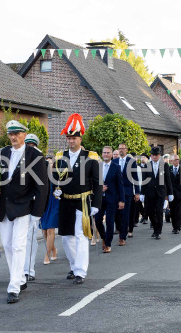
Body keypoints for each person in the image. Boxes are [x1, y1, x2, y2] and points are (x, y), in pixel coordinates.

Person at [0, 120, 48, 304]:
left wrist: (37, 213)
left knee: (19, 245)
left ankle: (13, 287)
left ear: (24, 135)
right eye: (11, 134)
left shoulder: (35, 155)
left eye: (17, 134)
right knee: (8, 245)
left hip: (24, 206)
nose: (13, 137)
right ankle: (18, 278)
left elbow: (42, 186)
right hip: (4, 206)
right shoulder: (3, 152)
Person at [53, 113, 102, 285]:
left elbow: (97, 182)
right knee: (66, 238)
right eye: (68, 138)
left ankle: (81, 271)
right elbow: (56, 179)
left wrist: (96, 204)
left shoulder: (91, 156)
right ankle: (74, 266)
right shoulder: (60, 156)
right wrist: (56, 190)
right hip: (66, 201)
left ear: (80, 139)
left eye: (74, 138)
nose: (71, 141)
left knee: (81, 236)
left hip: (83, 201)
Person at [95, 146, 124, 253]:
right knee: (97, 220)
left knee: (109, 221)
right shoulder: (98, 166)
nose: (106, 154)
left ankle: (108, 244)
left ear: (111, 154)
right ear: (102, 154)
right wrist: (99, 189)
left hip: (112, 198)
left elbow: (120, 185)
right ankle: (104, 237)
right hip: (99, 198)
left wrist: (122, 200)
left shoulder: (116, 167)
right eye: (104, 152)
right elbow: (93, 182)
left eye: (108, 153)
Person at [140, 146, 173, 239]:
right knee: (150, 212)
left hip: (161, 192)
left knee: (159, 211)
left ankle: (158, 231)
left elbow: (168, 180)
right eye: (153, 155)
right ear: (151, 155)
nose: (154, 157)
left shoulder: (165, 165)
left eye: (156, 155)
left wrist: (170, 193)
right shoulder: (147, 165)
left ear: (159, 155)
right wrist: (142, 192)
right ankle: (155, 228)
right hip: (149, 192)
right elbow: (144, 180)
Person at [23, 133, 42, 281]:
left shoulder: (40, 160)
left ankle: (29, 270)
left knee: (30, 237)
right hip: (21, 204)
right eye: (28, 145)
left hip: (34, 204)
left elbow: (43, 187)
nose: (30, 147)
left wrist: (40, 208)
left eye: (32, 145)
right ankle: (20, 269)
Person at [112, 143, 139, 245]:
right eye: (119, 149)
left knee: (125, 214)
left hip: (127, 192)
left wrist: (137, 192)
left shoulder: (131, 162)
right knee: (117, 215)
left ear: (126, 150)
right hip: (116, 193)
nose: (121, 150)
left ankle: (123, 237)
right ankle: (119, 230)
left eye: (123, 149)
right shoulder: (114, 161)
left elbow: (135, 177)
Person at [40, 155, 59, 264]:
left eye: (51, 163)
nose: (49, 165)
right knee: (44, 231)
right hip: (45, 204)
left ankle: (47, 255)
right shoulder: (42, 176)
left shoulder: (57, 175)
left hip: (55, 203)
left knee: (50, 229)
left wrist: (59, 191)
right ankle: (53, 249)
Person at [169, 154, 181, 234]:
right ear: (171, 161)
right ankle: (174, 226)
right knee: (173, 211)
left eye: (178, 159)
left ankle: (177, 227)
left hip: (180, 194)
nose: (177, 161)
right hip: (171, 194)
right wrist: (166, 194)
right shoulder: (168, 169)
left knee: (178, 211)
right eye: (175, 159)